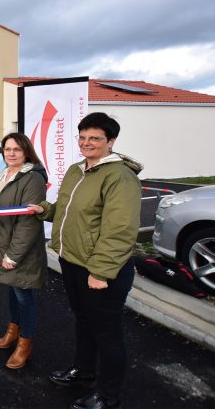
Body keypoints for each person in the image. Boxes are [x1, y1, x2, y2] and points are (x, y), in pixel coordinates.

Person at [29, 113, 142, 409]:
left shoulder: (119, 176)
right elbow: (68, 211)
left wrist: (101, 272)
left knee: (107, 332)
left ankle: (108, 397)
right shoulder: (77, 170)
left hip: (102, 269)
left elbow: (120, 229)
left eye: (95, 138)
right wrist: (43, 210)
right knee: (84, 321)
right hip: (73, 261)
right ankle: (84, 371)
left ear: (111, 142)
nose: (86, 143)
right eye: (82, 137)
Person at [0, 133, 47, 369]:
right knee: (13, 291)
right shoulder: (5, 174)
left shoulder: (32, 179)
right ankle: (13, 330)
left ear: (26, 152)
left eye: (16, 150)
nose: (10, 153)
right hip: (4, 243)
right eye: (7, 149)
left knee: (24, 295)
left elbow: (28, 222)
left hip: (21, 249)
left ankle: (25, 343)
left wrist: (13, 255)